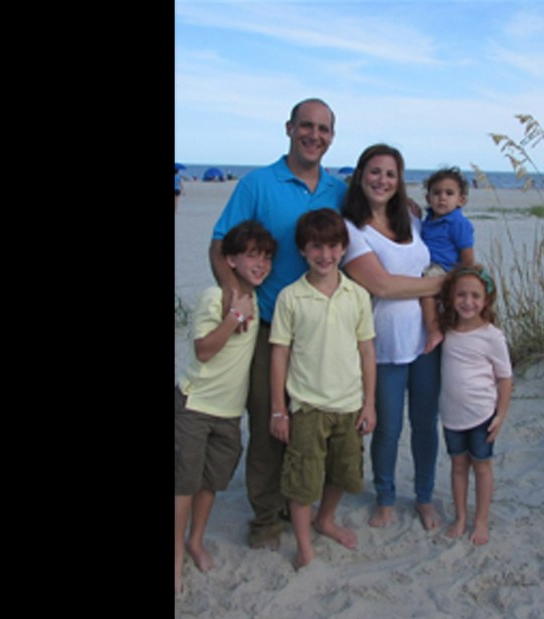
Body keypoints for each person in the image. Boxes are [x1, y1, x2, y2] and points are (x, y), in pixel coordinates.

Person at [208, 98, 347, 550]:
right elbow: (218, 245)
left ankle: (298, 504)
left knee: (308, 425)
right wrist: (236, 294)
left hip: (320, 330)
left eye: (323, 129)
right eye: (306, 125)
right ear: (289, 128)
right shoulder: (257, 183)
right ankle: (265, 518)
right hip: (268, 328)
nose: (314, 135)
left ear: (332, 136)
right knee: (271, 423)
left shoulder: (339, 191)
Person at [340, 144, 446, 530]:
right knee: (387, 429)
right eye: (374, 171)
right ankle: (385, 496)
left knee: (425, 424)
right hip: (382, 344)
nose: (382, 180)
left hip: (426, 343)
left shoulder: (412, 221)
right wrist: (444, 283)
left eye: (390, 173)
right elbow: (382, 286)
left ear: (399, 180)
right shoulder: (351, 230)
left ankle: (423, 496)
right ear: (360, 176)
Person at [269, 208, 376, 569]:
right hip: (307, 406)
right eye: (316, 246)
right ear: (302, 250)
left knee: (343, 471)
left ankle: (325, 519)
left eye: (332, 246)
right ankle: (304, 546)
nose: (325, 255)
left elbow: (366, 350)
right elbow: (279, 354)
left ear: (344, 249)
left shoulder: (357, 295)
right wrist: (278, 409)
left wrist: (369, 403)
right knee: (302, 479)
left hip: (349, 403)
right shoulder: (291, 297)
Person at [175, 221, 276, 593]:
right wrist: (234, 315)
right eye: (252, 255)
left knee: (211, 482)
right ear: (230, 260)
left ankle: (195, 541)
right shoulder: (214, 297)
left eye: (266, 257)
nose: (261, 263)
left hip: (230, 413)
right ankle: (176, 558)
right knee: (183, 483)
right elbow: (203, 349)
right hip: (195, 404)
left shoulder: (259, 300)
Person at [437, 265, 512, 546]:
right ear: (451, 297)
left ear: (486, 300)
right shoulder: (447, 330)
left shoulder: (492, 336)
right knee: (458, 466)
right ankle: (459, 517)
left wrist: (500, 416)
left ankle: (480, 520)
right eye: (461, 295)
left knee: (481, 466)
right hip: (451, 416)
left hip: (482, 415)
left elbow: (505, 379)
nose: (468, 302)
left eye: (475, 296)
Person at [421, 167, 475, 276]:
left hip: (444, 269)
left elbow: (468, 257)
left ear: (460, 200)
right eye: (436, 193)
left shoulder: (458, 223)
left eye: (449, 193)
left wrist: (456, 276)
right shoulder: (427, 220)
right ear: (428, 198)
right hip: (424, 264)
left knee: (428, 279)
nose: (442, 197)